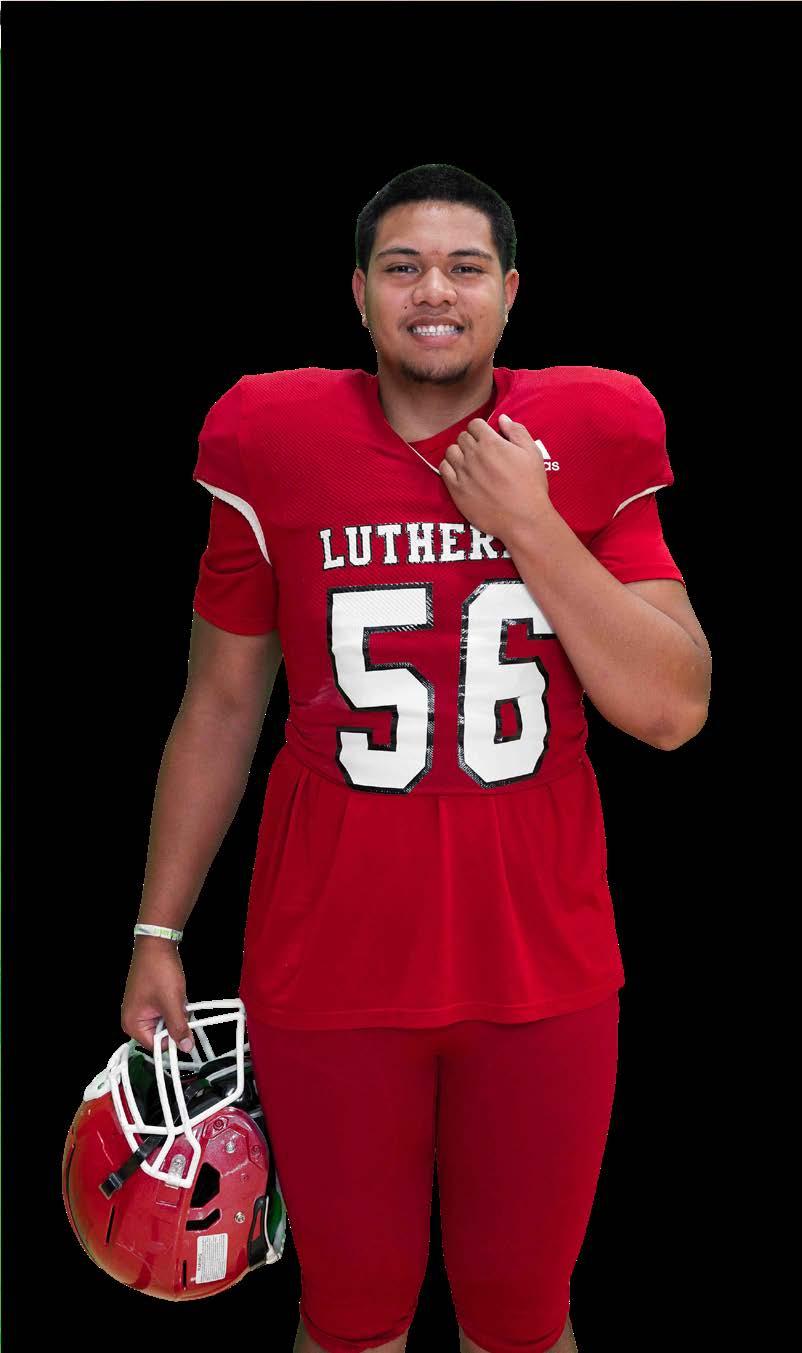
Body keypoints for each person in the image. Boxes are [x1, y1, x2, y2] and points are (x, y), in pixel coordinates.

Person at [122, 164, 712, 1353]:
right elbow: (222, 705)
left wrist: (528, 520)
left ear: (509, 294)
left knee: (521, 1321)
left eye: (462, 267)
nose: (432, 291)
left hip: (539, 956)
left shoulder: (589, 430)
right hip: (327, 956)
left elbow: (670, 710)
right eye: (402, 267)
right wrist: (156, 930)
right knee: (349, 1322)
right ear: (358, 294)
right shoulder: (270, 437)